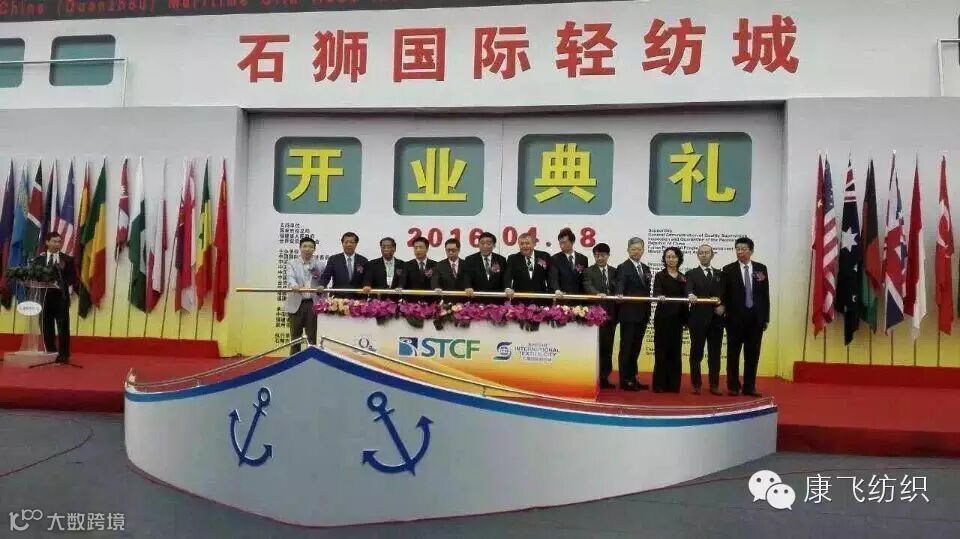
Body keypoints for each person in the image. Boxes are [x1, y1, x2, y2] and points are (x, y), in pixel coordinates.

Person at [721, 237, 770, 397]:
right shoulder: (728, 269)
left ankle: (750, 387)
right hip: (735, 320)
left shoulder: (761, 269)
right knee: (733, 354)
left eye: (743, 249)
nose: (740, 252)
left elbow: (764, 295)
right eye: (738, 249)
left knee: (752, 355)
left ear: (751, 251)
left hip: (755, 320)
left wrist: (765, 318)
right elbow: (724, 294)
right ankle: (733, 386)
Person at [685, 244, 725, 395]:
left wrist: (724, 306)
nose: (704, 255)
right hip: (697, 319)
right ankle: (696, 384)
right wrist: (690, 294)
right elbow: (688, 289)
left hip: (716, 320)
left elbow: (727, 294)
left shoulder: (720, 274)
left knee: (715, 354)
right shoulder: (691, 273)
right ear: (697, 255)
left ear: (712, 255)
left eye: (707, 252)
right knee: (696, 353)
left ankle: (714, 385)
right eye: (701, 253)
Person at [614, 237, 652, 391]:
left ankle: (633, 377)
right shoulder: (623, 267)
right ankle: (625, 380)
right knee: (627, 348)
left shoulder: (646, 268)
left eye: (639, 249)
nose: (636, 252)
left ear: (643, 250)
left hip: (643, 314)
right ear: (628, 250)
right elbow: (620, 283)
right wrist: (619, 293)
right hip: (628, 315)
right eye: (633, 249)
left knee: (636, 348)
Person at [34, 232, 76, 364]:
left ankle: (63, 355)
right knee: (47, 326)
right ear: (47, 242)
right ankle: (50, 352)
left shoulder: (67, 259)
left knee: (63, 326)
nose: (58, 244)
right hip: (44, 298)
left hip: (60, 298)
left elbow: (73, 278)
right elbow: (34, 276)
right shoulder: (39, 260)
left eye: (59, 241)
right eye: (54, 241)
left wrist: (61, 282)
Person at [652, 247, 688, 393]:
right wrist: (660, 296)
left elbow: (685, 299)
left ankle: (673, 385)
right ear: (664, 259)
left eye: (673, 257)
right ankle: (659, 384)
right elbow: (657, 291)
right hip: (663, 318)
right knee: (661, 350)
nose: (671, 259)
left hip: (678, 319)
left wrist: (686, 320)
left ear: (678, 259)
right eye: (668, 257)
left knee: (675, 351)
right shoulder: (660, 275)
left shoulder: (683, 277)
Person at [582, 243, 618, 389]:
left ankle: (604, 377)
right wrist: (597, 294)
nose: (600, 258)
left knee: (608, 348)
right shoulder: (588, 271)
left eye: (603, 255)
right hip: (595, 316)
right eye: (597, 255)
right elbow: (587, 286)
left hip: (612, 315)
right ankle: (592, 376)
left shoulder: (615, 271)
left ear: (608, 256)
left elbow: (619, 287)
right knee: (595, 348)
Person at [284, 236, 321, 354]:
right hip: (296, 304)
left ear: (314, 249)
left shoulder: (320, 265)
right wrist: (294, 285)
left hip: (313, 304)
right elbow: (290, 277)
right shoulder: (292, 263)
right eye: (304, 246)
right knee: (295, 338)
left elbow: (323, 281)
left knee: (312, 337)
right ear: (300, 248)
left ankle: (312, 361)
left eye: (310, 247)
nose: (307, 249)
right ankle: (294, 362)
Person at [504, 232, 552, 302]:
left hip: (541, 300)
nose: (525, 246)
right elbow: (507, 276)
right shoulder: (513, 259)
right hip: (520, 302)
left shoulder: (544, 256)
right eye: (522, 244)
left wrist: (554, 291)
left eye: (527, 243)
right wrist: (508, 288)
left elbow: (550, 276)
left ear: (533, 244)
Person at [463, 232, 507, 301]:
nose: (485, 246)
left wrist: (507, 288)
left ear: (494, 245)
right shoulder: (470, 260)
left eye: (488, 244)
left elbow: (505, 279)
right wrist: (467, 287)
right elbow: (467, 276)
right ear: (478, 244)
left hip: (496, 301)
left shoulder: (501, 260)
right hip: (476, 300)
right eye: (482, 243)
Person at [549, 227, 588, 295]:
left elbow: (585, 279)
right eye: (560, 243)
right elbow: (553, 278)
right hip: (562, 296)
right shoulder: (555, 259)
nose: (561, 246)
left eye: (564, 243)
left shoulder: (583, 259)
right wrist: (557, 290)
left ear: (572, 242)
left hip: (579, 297)